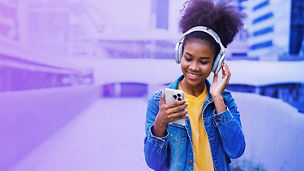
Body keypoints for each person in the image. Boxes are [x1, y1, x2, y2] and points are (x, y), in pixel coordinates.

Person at [144, 0, 246, 170]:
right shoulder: (159, 101)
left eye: (204, 61)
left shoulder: (224, 100)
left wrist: (217, 99)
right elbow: (154, 163)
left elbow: (236, 151)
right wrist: (160, 122)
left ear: (216, 63)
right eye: (188, 58)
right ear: (179, 55)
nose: (194, 67)